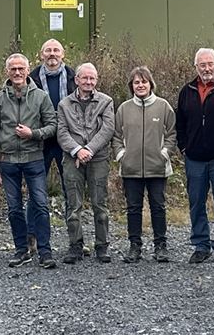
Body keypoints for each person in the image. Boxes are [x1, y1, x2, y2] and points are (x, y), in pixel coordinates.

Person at [0, 53, 58, 268]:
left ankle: (45, 251)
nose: (17, 72)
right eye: (13, 69)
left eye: (21, 69)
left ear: (28, 70)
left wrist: (33, 134)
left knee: (40, 205)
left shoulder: (41, 97)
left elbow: (53, 125)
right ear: (7, 72)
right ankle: (21, 250)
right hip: (8, 162)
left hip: (34, 159)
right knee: (14, 209)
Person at [175, 48, 214, 265]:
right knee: (196, 203)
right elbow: (180, 123)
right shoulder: (187, 91)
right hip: (194, 159)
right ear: (196, 67)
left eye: (210, 64)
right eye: (202, 65)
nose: (207, 68)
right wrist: (184, 147)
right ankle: (201, 246)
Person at [112, 66, 177, 263]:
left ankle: (160, 246)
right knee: (133, 208)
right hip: (130, 169)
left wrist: (164, 154)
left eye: (144, 82)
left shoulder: (163, 106)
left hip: (157, 168)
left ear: (150, 84)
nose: (140, 85)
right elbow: (116, 136)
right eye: (136, 82)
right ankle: (134, 246)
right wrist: (121, 155)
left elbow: (172, 134)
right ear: (131, 86)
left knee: (158, 207)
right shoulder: (124, 109)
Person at [55, 62, 116, 263]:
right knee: (73, 204)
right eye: (85, 78)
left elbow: (107, 129)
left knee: (100, 203)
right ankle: (75, 246)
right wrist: (77, 150)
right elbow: (62, 132)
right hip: (72, 159)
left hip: (98, 158)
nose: (88, 82)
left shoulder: (106, 101)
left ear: (96, 81)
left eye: (92, 78)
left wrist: (89, 149)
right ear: (77, 80)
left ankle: (102, 246)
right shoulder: (64, 104)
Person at [29, 39, 77, 257]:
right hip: (40, 141)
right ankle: (31, 239)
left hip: (67, 140)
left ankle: (75, 240)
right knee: (36, 192)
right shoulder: (31, 78)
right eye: (48, 50)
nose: (52, 54)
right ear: (41, 55)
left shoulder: (74, 76)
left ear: (63, 54)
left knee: (71, 190)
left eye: (56, 50)